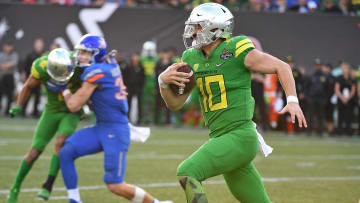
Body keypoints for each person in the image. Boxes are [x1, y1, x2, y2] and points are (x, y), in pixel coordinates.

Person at [158, 3, 306, 202]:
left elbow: (282, 67)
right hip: (220, 137)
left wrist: (293, 100)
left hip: (240, 135)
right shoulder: (190, 57)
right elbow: (175, 104)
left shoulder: (236, 48)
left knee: (187, 171)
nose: (193, 32)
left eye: (198, 26)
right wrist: (162, 83)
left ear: (214, 27)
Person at [55, 34, 172, 203]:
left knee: (115, 185)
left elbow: (74, 105)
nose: (80, 56)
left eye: (85, 53)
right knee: (66, 152)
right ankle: (74, 200)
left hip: (115, 130)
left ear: (96, 53)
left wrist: (63, 88)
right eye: (80, 52)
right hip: (102, 126)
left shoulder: (97, 71)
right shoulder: (109, 63)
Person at [6, 48, 82, 203]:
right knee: (34, 152)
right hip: (51, 110)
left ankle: (48, 185)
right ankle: (15, 188)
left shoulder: (79, 65)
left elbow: (93, 84)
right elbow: (27, 86)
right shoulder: (41, 66)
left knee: (61, 142)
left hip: (71, 111)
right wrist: (19, 105)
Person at [21, 38, 45, 117]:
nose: (39, 46)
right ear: (35, 45)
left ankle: (35, 113)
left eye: (40, 45)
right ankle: (23, 112)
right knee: (27, 96)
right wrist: (24, 75)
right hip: (30, 79)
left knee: (37, 97)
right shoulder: (30, 55)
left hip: (39, 80)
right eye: (37, 45)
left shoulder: (44, 55)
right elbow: (25, 66)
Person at [335, 62, 356, 136]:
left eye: (345, 68)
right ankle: (339, 132)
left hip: (350, 101)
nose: (344, 70)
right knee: (340, 116)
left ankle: (348, 132)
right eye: (342, 68)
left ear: (348, 69)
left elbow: (353, 90)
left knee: (349, 116)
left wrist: (348, 98)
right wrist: (342, 98)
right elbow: (337, 89)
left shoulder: (351, 78)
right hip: (341, 100)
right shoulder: (339, 78)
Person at [0, 41, 19, 116]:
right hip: (2, 77)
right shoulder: (1, 55)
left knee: (10, 95)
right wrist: (6, 65)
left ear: (11, 47)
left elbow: (14, 63)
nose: (7, 48)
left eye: (9, 46)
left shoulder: (14, 55)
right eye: (6, 46)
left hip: (10, 77)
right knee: (0, 94)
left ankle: (7, 110)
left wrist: (5, 66)